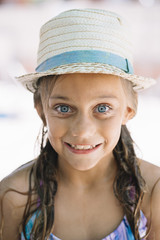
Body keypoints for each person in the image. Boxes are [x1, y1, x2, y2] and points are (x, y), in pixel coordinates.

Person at [0, 8, 160, 240]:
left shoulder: (152, 193)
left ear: (128, 109)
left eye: (102, 108)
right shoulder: (14, 198)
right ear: (41, 110)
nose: (83, 131)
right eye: (63, 108)